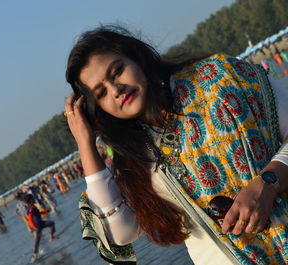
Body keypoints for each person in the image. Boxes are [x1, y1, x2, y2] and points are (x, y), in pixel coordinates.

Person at [64, 25, 288, 265]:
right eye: (101, 93)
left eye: (117, 71)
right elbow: (121, 232)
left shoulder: (217, 77)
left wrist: (267, 183)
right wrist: (85, 144)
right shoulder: (134, 157)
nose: (116, 90)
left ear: (137, 57)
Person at [25, 194, 59, 262]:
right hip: (38, 226)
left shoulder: (32, 207)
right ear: (30, 200)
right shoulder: (31, 208)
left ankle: (51, 237)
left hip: (40, 223)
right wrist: (34, 227)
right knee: (37, 240)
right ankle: (35, 254)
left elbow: (39, 213)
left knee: (51, 223)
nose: (34, 199)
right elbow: (30, 219)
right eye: (33, 198)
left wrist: (47, 211)